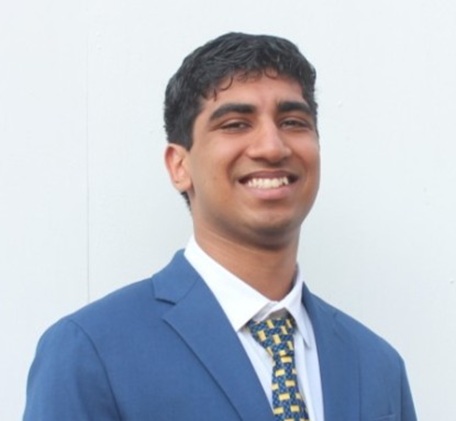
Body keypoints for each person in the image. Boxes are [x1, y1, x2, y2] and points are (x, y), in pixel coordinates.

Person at [24, 32, 417, 421]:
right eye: (235, 124)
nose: (272, 147)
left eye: (293, 121)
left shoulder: (376, 365)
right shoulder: (92, 351)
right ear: (179, 166)